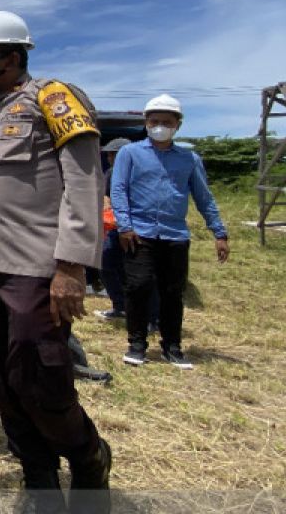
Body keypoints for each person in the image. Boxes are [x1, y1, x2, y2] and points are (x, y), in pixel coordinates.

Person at [0, 11, 111, 514]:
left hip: (37, 270)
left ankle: (88, 457)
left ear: (12, 56)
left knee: (40, 380)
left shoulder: (53, 98)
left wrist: (72, 266)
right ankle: (39, 477)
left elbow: (84, 180)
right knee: (3, 380)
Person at [111, 95, 229, 370]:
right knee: (138, 287)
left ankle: (172, 346)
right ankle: (137, 344)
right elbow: (119, 190)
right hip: (138, 232)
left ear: (178, 124)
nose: (160, 126)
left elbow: (203, 196)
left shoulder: (189, 158)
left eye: (167, 122)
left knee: (172, 292)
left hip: (174, 234)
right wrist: (124, 226)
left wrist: (219, 233)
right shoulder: (130, 154)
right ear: (146, 123)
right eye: (155, 121)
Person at [94, 138, 159, 326]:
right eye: (109, 154)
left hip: (139, 229)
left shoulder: (143, 173)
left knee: (143, 275)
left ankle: (153, 317)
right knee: (106, 263)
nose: (110, 157)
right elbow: (105, 195)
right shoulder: (110, 173)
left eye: (113, 153)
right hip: (116, 228)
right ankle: (120, 306)